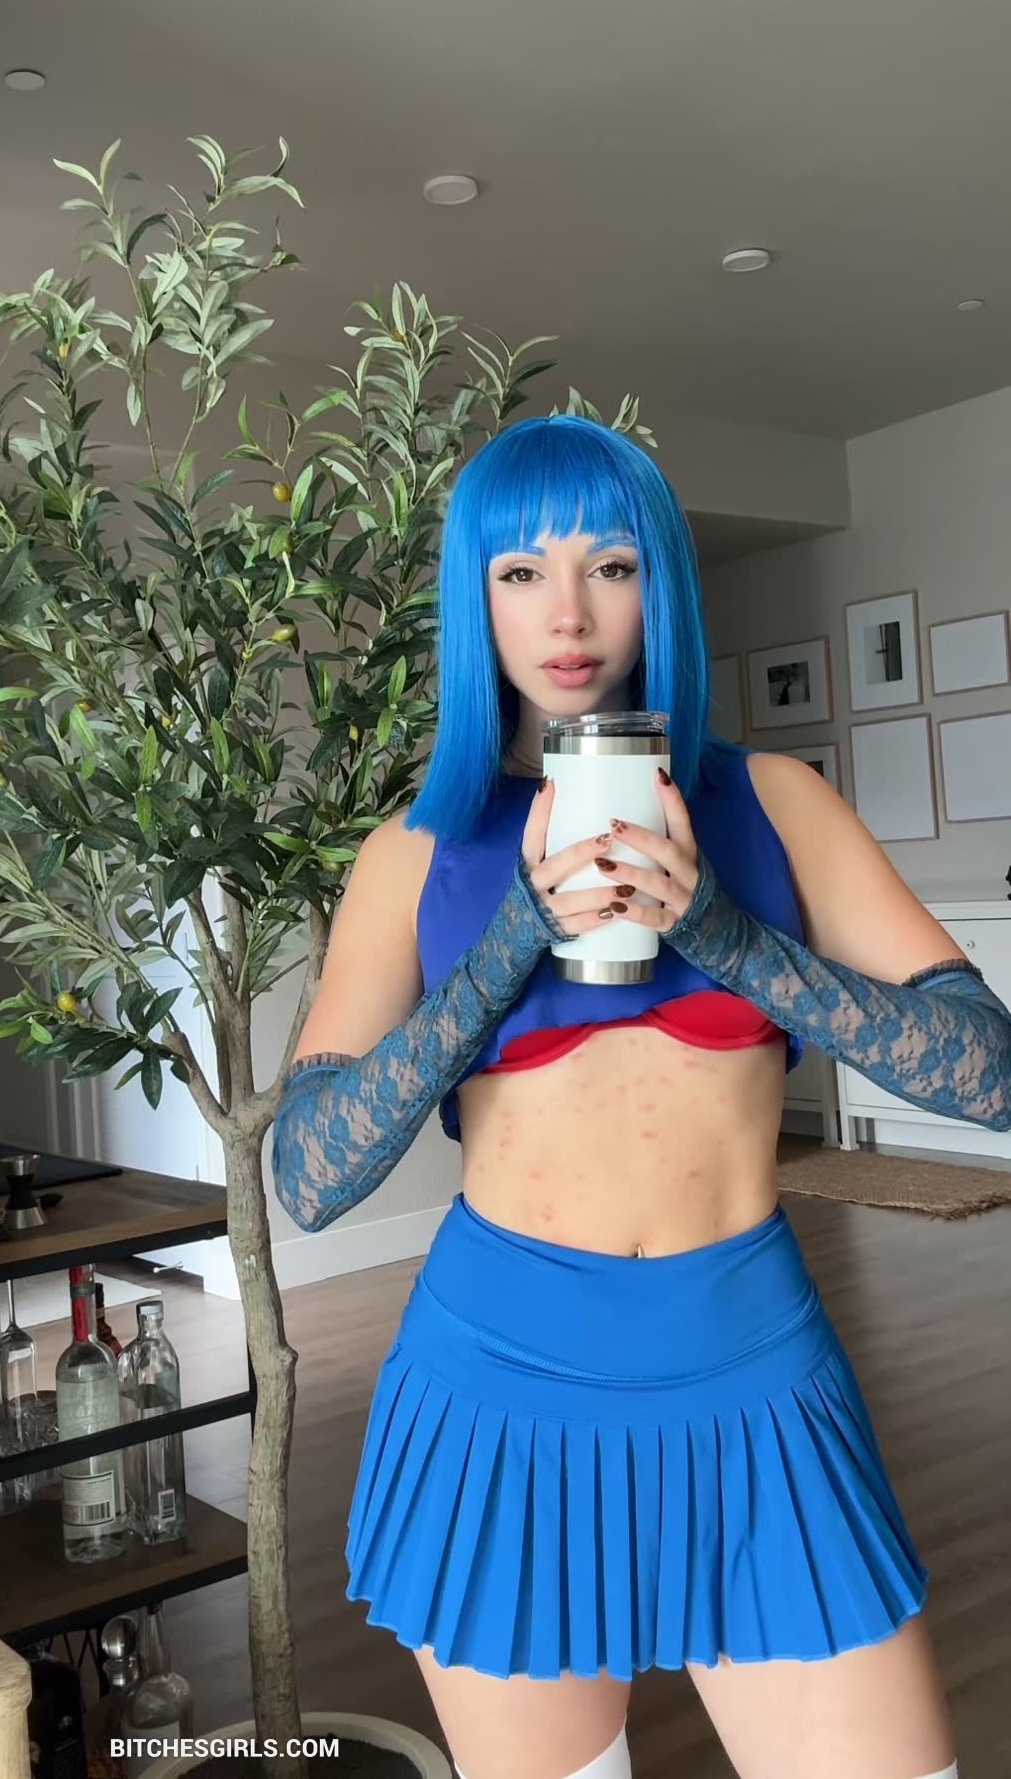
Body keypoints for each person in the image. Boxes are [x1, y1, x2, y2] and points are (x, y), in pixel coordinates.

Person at [272, 415, 1010, 1779]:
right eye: (519, 573)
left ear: (656, 582)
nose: (567, 614)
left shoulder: (773, 802)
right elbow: (309, 1178)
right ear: (475, 603)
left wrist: (729, 938)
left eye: (608, 566)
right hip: (497, 1389)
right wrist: (508, 941)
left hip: (755, 1371)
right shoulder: (414, 854)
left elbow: (990, 1073)